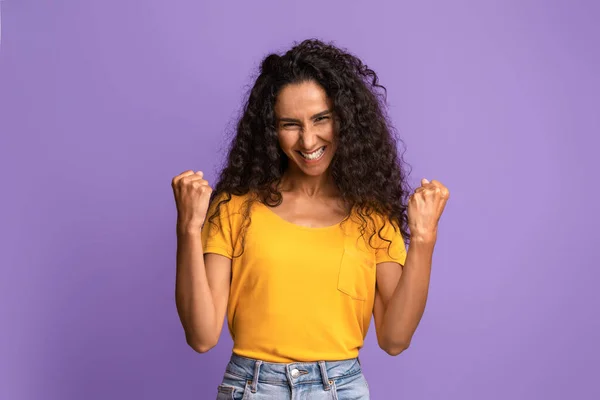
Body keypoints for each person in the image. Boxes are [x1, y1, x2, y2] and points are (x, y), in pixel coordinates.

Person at [171, 39, 450, 399]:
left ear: (345, 119)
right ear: (271, 130)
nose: (308, 139)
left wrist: (424, 239)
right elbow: (201, 336)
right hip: (253, 388)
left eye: (321, 119)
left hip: (341, 389)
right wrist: (188, 229)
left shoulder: (373, 217)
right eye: (291, 124)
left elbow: (395, 340)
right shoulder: (234, 208)